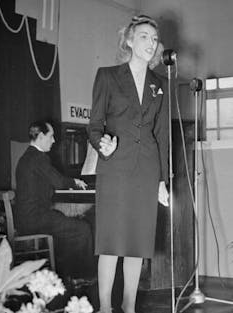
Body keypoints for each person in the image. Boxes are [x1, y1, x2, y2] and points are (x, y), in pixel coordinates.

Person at [88, 15, 169, 313]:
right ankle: (106, 308)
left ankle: (129, 306)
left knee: (137, 243)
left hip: (146, 171)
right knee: (111, 242)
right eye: (145, 37)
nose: (151, 43)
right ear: (130, 41)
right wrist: (102, 143)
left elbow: (161, 135)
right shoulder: (108, 76)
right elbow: (94, 125)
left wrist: (161, 181)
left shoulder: (158, 85)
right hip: (115, 167)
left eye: (154, 39)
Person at [15, 120, 95, 281]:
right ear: (41, 136)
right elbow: (58, 181)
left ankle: (67, 273)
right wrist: (75, 182)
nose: (53, 140)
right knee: (82, 229)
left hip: (26, 217)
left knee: (67, 223)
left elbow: (47, 182)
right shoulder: (38, 157)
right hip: (35, 218)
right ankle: (82, 276)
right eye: (51, 136)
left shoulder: (26, 157)